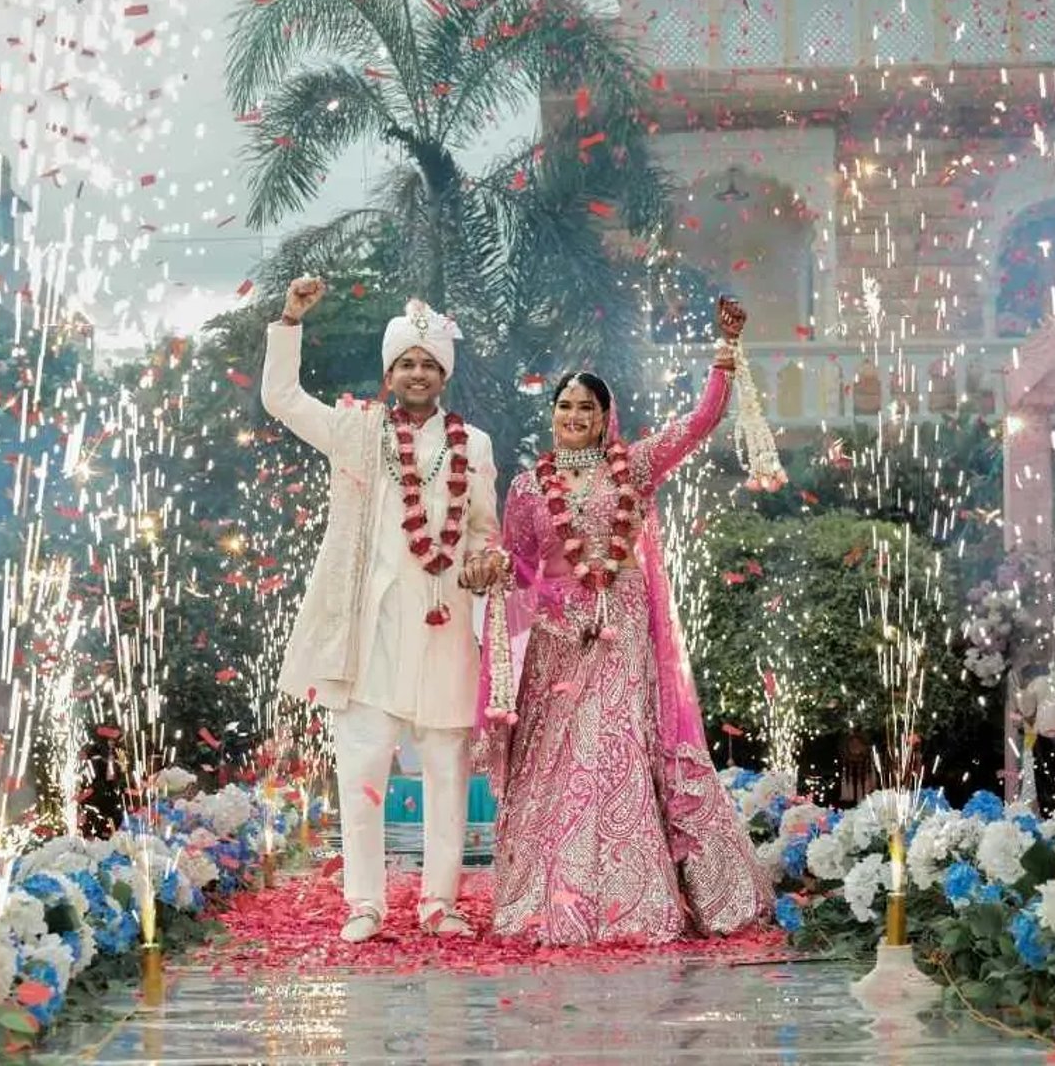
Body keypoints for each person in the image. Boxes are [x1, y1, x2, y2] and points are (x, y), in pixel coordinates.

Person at [479, 297, 770, 945]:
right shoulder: (528, 487)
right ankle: (556, 898)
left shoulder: (632, 465)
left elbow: (698, 424)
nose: (575, 416)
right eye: (565, 407)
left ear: (605, 418)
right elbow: (520, 566)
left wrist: (723, 355)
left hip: (622, 630)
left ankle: (631, 900)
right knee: (558, 765)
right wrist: (492, 573)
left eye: (587, 407)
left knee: (614, 754)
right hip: (559, 643)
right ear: (551, 415)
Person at [260, 278, 503, 943]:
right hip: (368, 632)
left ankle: (439, 900)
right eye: (405, 363)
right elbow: (281, 398)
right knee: (361, 767)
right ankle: (364, 902)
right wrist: (289, 320)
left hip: (445, 625)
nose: (417, 372)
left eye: (428, 362)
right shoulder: (355, 430)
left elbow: (484, 532)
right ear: (389, 373)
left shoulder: (473, 445)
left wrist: (486, 561)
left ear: (442, 373)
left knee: (447, 768)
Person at [1015, 663, 1055, 816]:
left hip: (1042, 736)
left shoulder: (1038, 683)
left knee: (1043, 781)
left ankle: (1047, 815)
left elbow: (1027, 709)